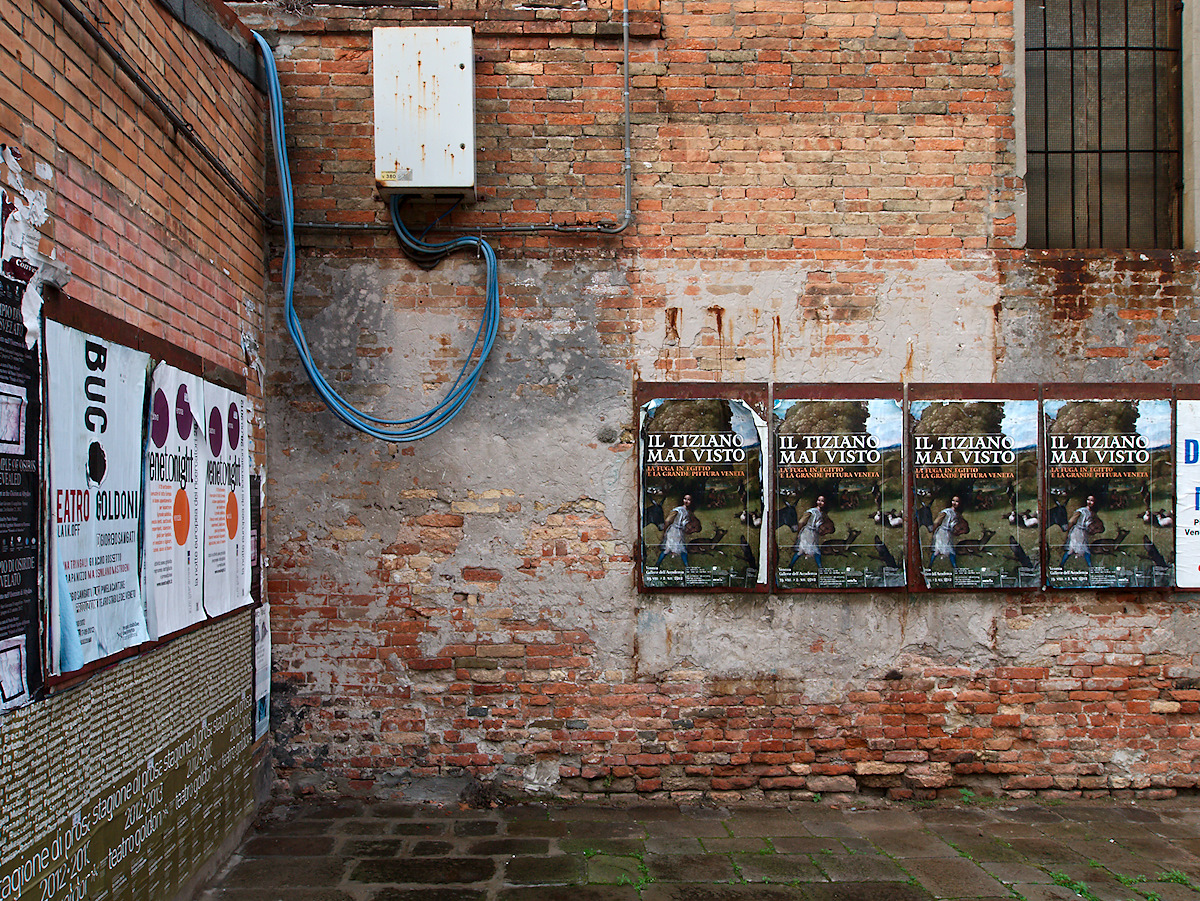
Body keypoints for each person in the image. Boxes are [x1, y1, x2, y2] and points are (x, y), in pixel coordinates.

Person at [655, 494, 696, 568]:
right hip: (673, 531)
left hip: (680, 532)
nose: (686, 501)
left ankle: (687, 567)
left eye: (688, 500)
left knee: (682, 549)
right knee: (668, 549)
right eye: (685, 499)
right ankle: (657, 565)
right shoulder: (678, 510)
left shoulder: (689, 512)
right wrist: (665, 531)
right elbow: (668, 520)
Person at [1060, 495, 1101, 568]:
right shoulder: (1081, 511)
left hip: (1084, 533)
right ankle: (1061, 565)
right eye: (1088, 500)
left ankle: (1090, 567)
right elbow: (1071, 521)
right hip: (1077, 532)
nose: (1090, 502)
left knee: (1086, 550)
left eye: (1092, 501)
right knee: (1071, 549)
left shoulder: (1093, 513)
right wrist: (1067, 532)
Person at [789, 495, 828, 569]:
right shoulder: (811, 511)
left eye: (822, 501)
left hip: (814, 534)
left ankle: (820, 568)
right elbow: (801, 522)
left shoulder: (822, 514)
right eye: (819, 500)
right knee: (801, 550)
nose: (820, 502)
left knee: (816, 551)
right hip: (807, 533)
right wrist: (799, 532)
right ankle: (790, 565)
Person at [928, 495, 965, 570]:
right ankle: (930, 566)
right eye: (953, 501)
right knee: (938, 550)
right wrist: (934, 530)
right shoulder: (946, 511)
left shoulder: (957, 514)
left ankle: (954, 567)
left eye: (957, 501)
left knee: (950, 550)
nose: (954, 503)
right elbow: (936, 522)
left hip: (948, 533)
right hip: (942, 533)